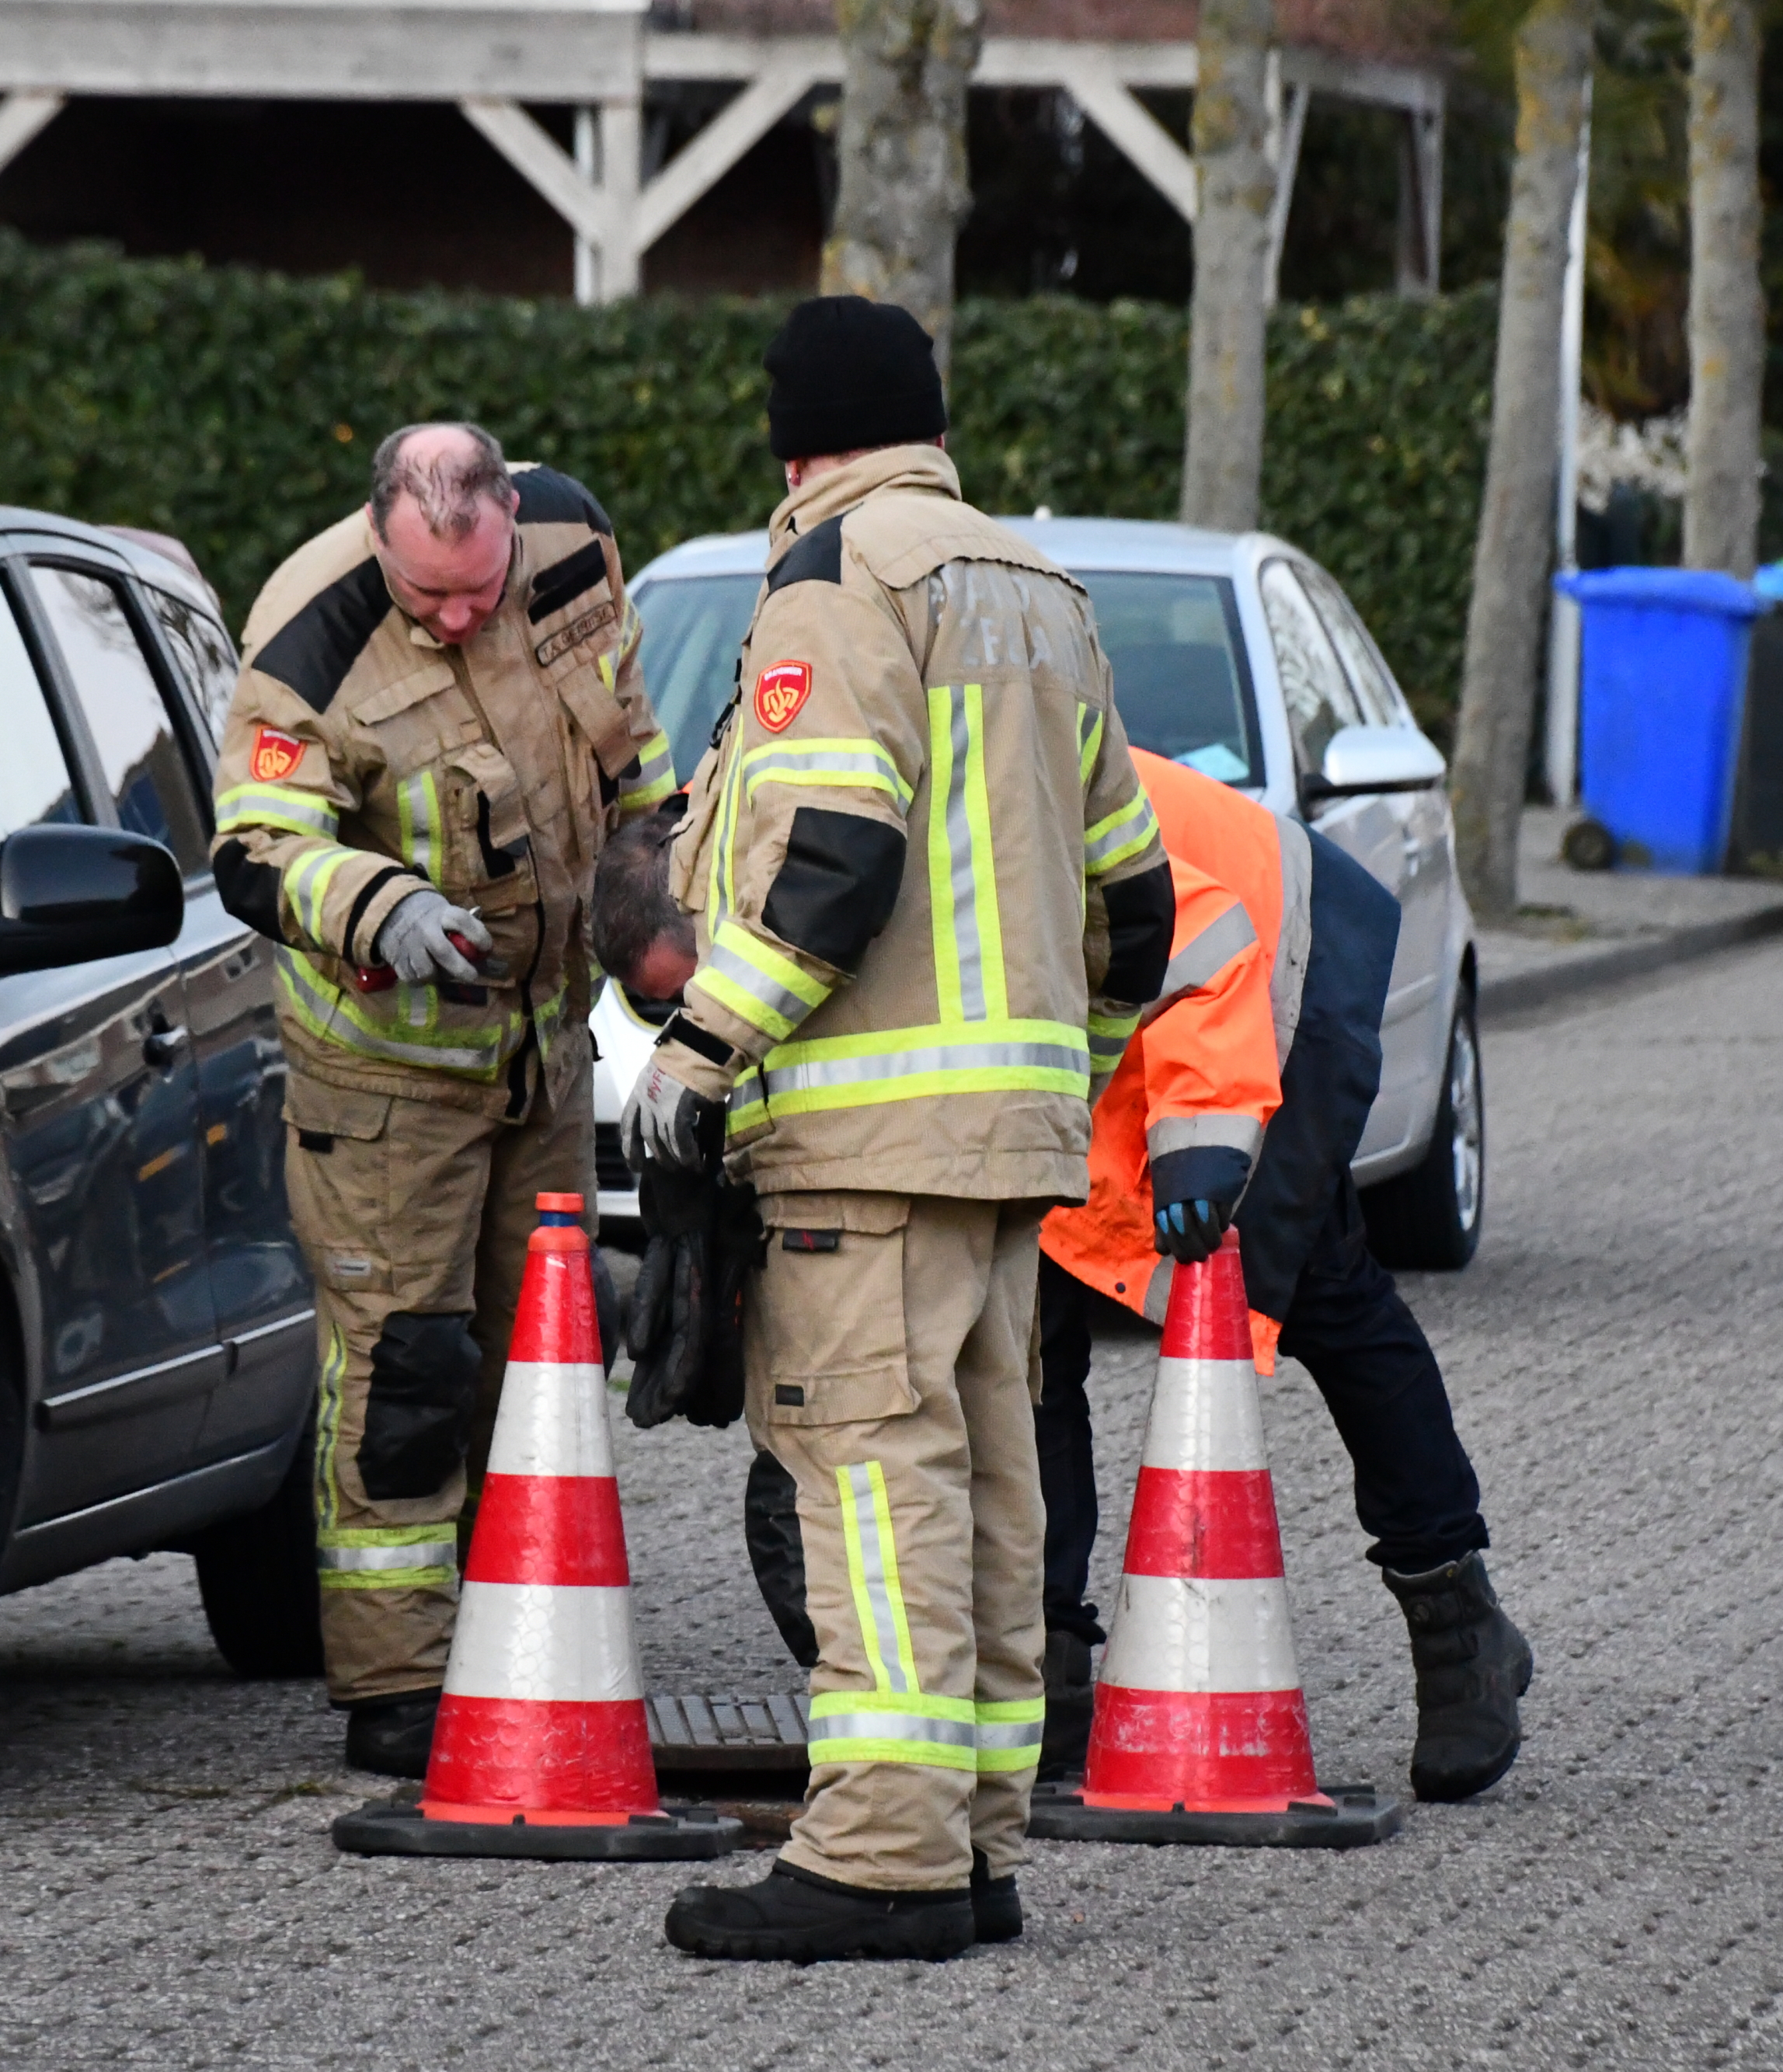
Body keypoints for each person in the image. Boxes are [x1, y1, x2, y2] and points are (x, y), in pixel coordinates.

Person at [621, 296, 1174, 1962]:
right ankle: (968, 1837)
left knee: (870, 1482)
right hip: (1007, 1149)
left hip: (861, 1153)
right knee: (990, 1483)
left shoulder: (836, 581)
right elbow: (1132, 900)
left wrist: (701, 1044)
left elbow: (833, 856)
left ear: (793, 443)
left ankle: (875, 1852)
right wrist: (1055, 1072)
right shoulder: (1037, 591)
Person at [209, 423, 674, 1778]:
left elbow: (625, 758)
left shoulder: (575, 545)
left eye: (479, 588)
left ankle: (526, 1625)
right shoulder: (311, 630)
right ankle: (399, 1683)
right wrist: (379, 899)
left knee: (543, 1353)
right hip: (388, 1079)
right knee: (407, 1369)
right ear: (379, 540)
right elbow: (257, 848)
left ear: (510, 518)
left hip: (543, 1052)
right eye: (431, 599)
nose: (462, 617)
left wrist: (663, 907)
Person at [1034, 749, 1534, 1802]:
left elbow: (1197, 934)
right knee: (1027, 1338)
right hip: (1121, 1034)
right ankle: (1053, 1668)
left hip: (1268, 972)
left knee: (1324, 1296)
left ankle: (1459, 1622)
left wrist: (1201, 1136)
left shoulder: (997, 774)